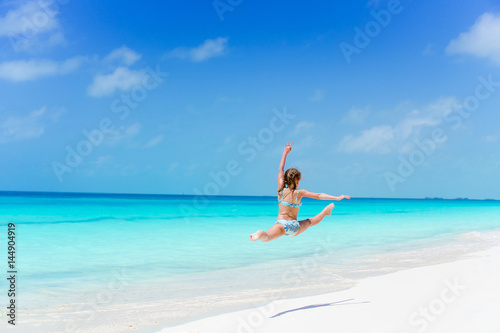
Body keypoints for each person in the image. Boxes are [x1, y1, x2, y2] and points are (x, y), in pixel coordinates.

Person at [250, 142, 350, 242]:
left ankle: (260, 233)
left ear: (285, 179)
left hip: (281, 224)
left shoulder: (281, 189)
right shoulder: (300, 193)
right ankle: (325, 211)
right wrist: (337, 197)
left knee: (267, 237)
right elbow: (319, 196)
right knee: (311, 222)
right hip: (294, 226)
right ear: (298, 180)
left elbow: (280, 169)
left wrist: (285, 153)